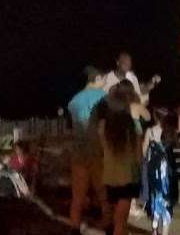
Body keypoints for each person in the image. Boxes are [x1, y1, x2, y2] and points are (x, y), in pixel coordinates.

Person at [67, 66, 110, 230]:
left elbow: (75, 129)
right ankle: (108, 224)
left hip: (79, 152)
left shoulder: (74, 101)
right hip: (98, 152)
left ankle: (74, 226)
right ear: (97, 78)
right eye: (103, 79)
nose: (105, 82)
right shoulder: (104, 97)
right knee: (103, 193)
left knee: (77, 195)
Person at [99, 89, 144, 235]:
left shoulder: (103, 128)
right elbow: (138, 155)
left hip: (109, 177)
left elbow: (101, 150)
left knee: (113, 220)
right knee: (120, 221)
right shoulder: (131, 126)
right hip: (127, 177)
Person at [143, 111, 180, 235]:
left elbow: (144, 152)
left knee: (155, 197)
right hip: (167, 172)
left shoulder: (150, 131)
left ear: (155, 117)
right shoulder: (171, 131)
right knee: (167, 201)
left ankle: (154, 228)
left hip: (154, 172)